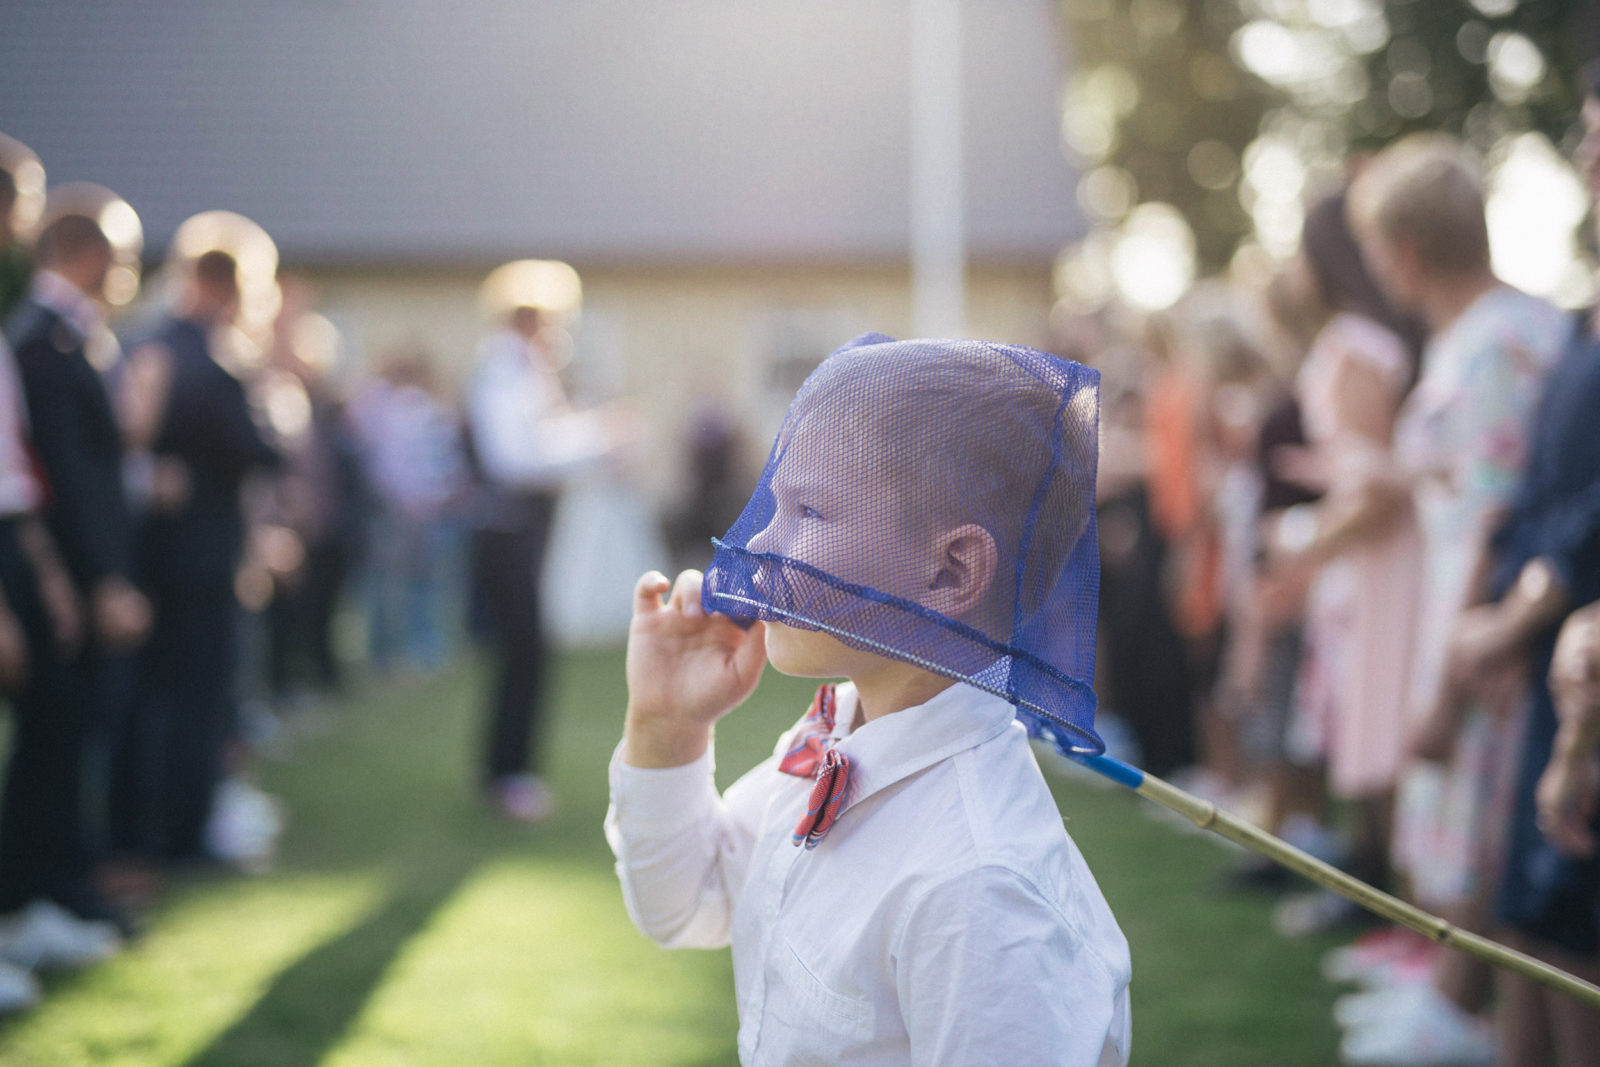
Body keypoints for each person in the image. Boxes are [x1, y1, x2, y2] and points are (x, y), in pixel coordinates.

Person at [607, 335, 1131, 1066]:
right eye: (776, 501)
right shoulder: (841, 731)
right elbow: (686, 902)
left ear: (952, 569)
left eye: (810, 512)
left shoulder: (982, 892)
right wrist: (666, 725)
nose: (761, 538)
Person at [1336, 134, 1568, 1064]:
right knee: (1471, 826)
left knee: (1483, 828)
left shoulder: (1497, 347)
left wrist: (1442, 689)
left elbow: (1489, 518)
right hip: (1482, 620)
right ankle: (1458, 1006)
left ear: (1403, 249)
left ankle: (1467, 1021)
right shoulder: (1495, 335)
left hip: (1484, 634)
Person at [5, 185, 150, 947]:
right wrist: (99, 578)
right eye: (122, 256)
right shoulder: (41, 341)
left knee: (75, 733)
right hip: (57, 574)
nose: (127, 271)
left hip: (74, 573)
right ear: (90, 254)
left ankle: (65, 881)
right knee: (54, 736)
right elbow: (66, 478)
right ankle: (41, 890)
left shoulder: (76, 336)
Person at [112, 241, 281, 867]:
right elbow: (260, 451)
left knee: (153, 699)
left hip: (158, 556)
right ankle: (181, 835)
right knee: (196, 703)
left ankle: (149, 828)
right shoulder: (207, 358)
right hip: (197, 563)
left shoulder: (145, 343)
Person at [466, 259, 626, 822]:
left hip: (524, 528)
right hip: (508, 529)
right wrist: (597, 443)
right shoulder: (505, 371)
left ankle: (507, 770)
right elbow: (515, 458)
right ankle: (507, 774)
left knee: (527, 653)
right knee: (525, 652)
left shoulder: (522, 370)